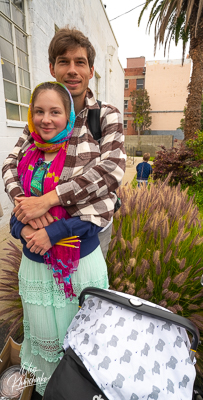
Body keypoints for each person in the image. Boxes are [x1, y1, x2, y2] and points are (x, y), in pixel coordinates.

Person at [10, 81, 109, 397]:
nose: (46, 119)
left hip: (78, 267)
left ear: (69, 115)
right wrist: (25, 231)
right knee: (43, 340)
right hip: (36, 267)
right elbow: (15, 214)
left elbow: (98, 217)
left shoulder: (85, 154)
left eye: (55, 111)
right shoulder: (28, 156)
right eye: (39, 111)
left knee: (82, 344)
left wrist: (52, 233)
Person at [2, 27, 126, 259]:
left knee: (85, 294)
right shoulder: (40, 120)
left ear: (90, 70)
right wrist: (27, 206)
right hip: (38, 233)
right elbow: (9, 164)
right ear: (52, 68)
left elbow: (112, 170)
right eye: (63, 62)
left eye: (79, 62)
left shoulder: (105, 116)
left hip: (88, 237)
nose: (72, 70)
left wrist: (47, 201)